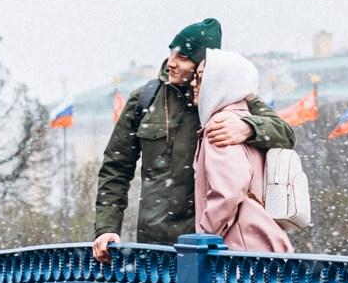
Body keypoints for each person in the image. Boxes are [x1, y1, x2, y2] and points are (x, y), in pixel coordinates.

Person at [92, 18, 294, 262]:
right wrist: (107, 228)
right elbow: (116, 167)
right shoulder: (145, 99)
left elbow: (285, 133)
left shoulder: (229, 100)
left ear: (204, 64)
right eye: (172, 53)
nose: (171, 63)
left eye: (183, 58)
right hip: (155, 246)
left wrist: (249, 127)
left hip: (215, 246)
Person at [190, 49, 293, 254]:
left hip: (237, 249)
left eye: (201, 79)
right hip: (258, 243)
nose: (193, 84)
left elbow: (227, 193)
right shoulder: (244, 120)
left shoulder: (221, 125)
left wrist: (205, 235)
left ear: (219, 83)